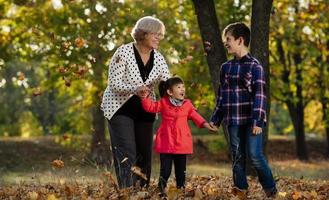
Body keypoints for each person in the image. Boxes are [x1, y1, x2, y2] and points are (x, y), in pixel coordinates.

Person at [101, 16, 170, 188]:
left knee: (144, 154)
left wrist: (175, 98)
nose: (159, 38)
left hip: (145, 110)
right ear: (143, 33)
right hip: (119, 108)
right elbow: (114, 83)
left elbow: (167, 83)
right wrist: (135, 89)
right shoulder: (123, 52)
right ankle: (128, 191)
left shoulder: (159, 58)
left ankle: (143, 191)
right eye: (155, 34)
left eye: (160, 35)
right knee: (127, 152)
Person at [209, 22, 277, 197]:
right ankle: (241, 191)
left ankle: (271, 190)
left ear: (240, 40)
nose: (226, 43)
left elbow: (260, 95)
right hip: (233, 120)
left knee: (254, 155)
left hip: (251, 120)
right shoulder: (225, 67)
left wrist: (258, 121)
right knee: (237, 158)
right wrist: (216, 119)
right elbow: (221, 96)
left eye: (228, 39)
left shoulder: (255, 66)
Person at [141, 77, 217, 195]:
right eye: (178, 87)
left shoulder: (187, 105)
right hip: (166, 142)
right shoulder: (164, 103)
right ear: (170, 92)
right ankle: (161, 191)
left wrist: (206, 124)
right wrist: (144, 97)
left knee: (181, 171)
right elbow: (151, 107)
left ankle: (181, 191)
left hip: (181, 143)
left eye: (183, 87)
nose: (182, 89)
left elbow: (195, 115)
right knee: (165, 171)